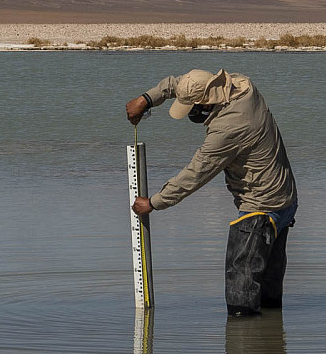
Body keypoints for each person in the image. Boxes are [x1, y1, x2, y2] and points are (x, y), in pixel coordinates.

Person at [124, 68, 298, 316]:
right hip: (285, 200)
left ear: (204, 105)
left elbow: (196, 173)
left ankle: (245, 344)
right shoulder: (242, 86)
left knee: (241, 303)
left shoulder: (229, 127)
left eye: (190, 108)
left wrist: (154, 202)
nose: (188, 114)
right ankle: (270, 346)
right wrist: (147, 98)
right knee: (269, 301)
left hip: (260, 210)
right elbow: (180, 84)